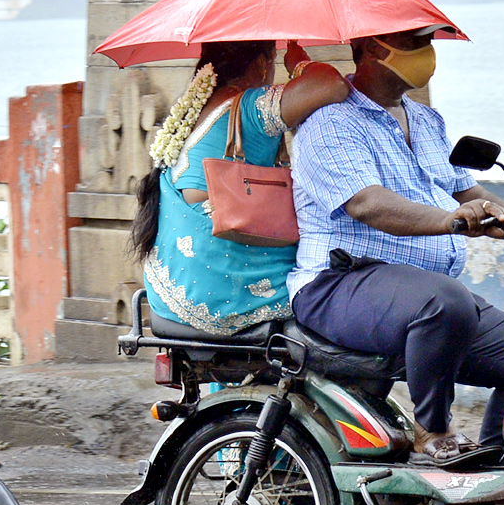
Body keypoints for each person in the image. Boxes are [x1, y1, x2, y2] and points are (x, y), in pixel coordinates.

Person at [287, 25, 504, 465]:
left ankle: (492, 478)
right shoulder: (330, 123)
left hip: (425, 295)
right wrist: (449, 221)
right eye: (412, 43)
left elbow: (470, 196)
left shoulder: (426, 121)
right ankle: (433, 428)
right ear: (370, 48)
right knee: (446, 301)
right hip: (339, 284)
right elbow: (368, 203)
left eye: (427, 43)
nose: (425, 53)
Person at [128, 40, 350, 334]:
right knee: (329, 284)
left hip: (171, 280)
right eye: (273, 60)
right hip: (218, 284)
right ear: (262, 63)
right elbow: (332, 85)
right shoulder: (251, 106)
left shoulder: (198, 105)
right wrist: (299, 64)